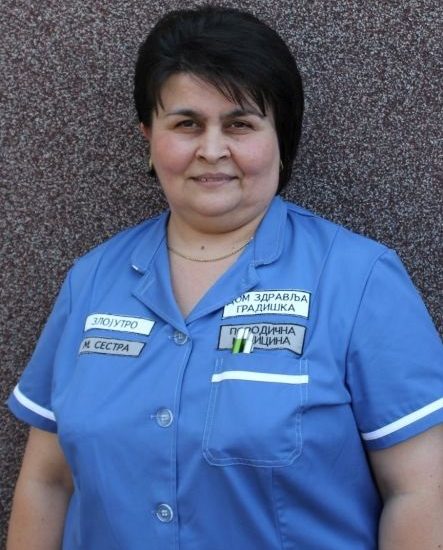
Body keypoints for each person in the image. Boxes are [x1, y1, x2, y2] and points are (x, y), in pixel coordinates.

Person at [6, 6, 443, 549]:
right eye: (186, 124)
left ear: (281, 136)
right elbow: (47, 483)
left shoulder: (358, 280)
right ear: (148, 136)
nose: (212, 150)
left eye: (240, 124)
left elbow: (422, 491)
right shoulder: (92, 280)